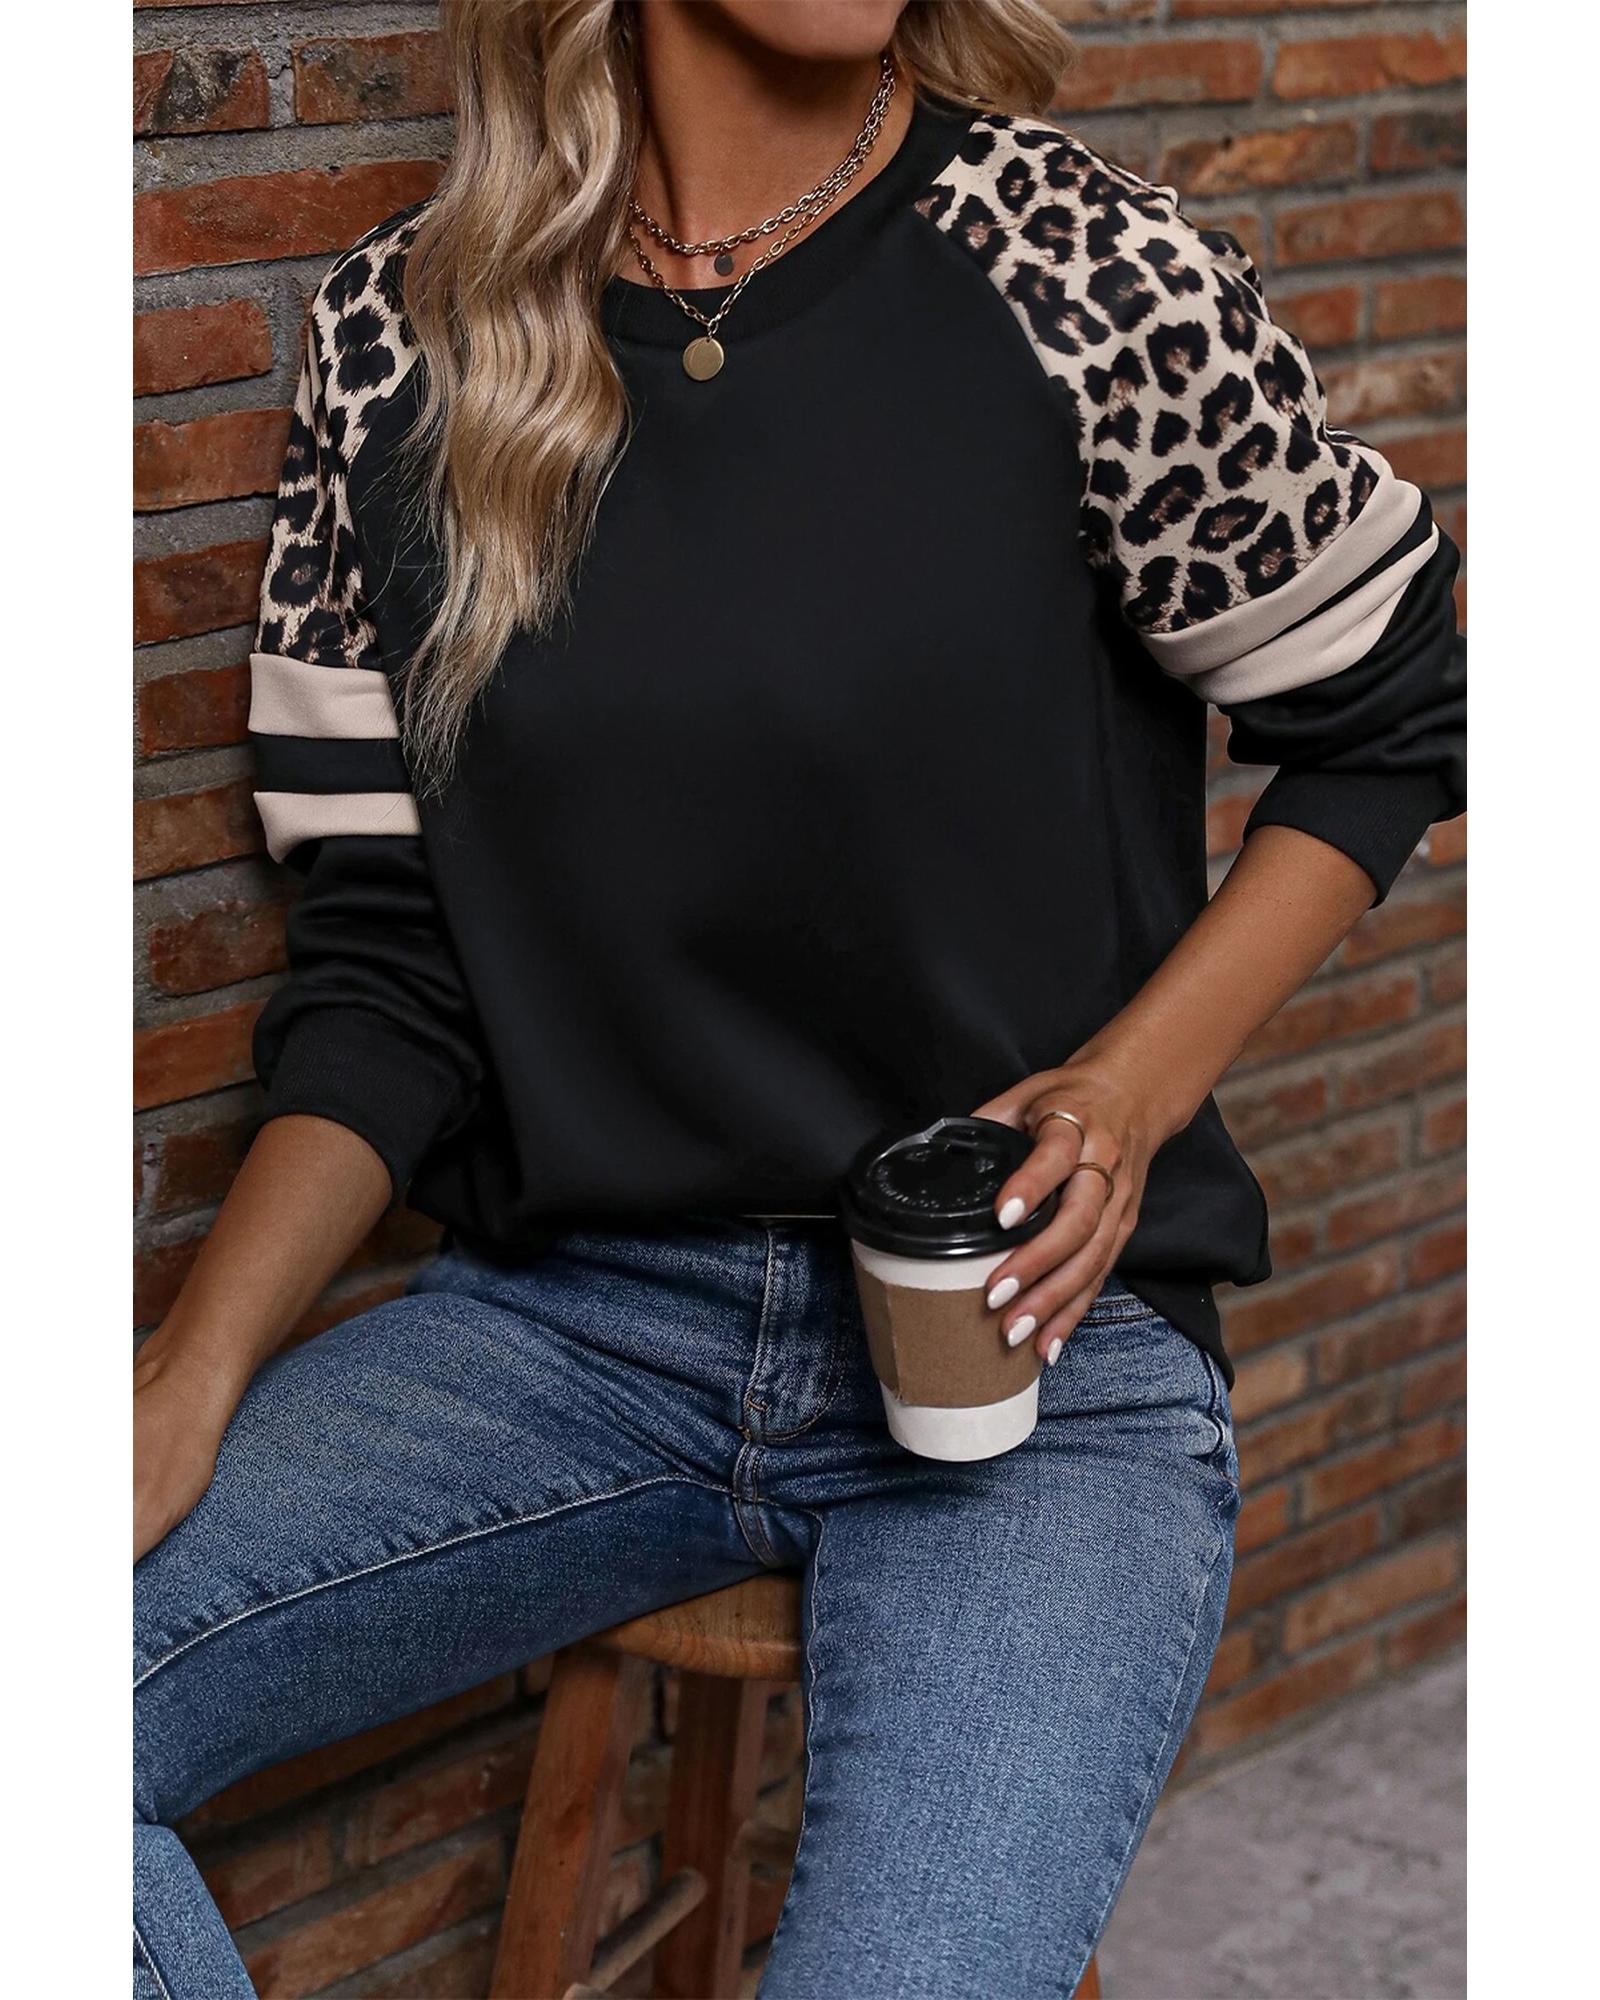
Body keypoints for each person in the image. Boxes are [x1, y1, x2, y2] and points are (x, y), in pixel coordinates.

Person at [133, 3, 1466, 1994]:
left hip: (1031, 1346)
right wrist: (192, 1373)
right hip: (577, 1326)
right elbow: (389, 958)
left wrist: (1124, 1091)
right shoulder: (404, 336)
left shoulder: (1081, 272)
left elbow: (1393, 718)